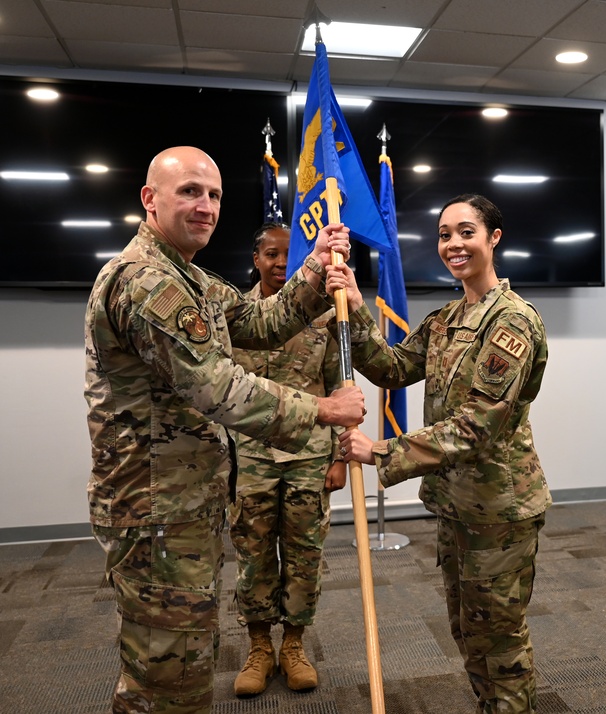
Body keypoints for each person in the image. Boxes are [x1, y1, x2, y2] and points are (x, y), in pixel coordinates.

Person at [84, 146, 365, 714]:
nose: (205, 206)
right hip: (155, 507)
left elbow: (262, 322)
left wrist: (313, 266)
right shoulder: (146, 283)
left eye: (213, 195)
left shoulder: (191, 280)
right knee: (167, 678)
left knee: (183, 656)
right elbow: (216, 386)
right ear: (150, 199)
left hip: (183, 502)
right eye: (189, 191)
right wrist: (320, 411)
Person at [333, 194, 550, 713]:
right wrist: (358, 313)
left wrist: (379, 452)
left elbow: (476, 428)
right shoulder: (446, 320)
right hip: (457, 504)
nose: (454, 244)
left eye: (466, 232)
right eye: (445, 234)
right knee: (469, 632)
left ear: (493, 239)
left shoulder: (512, 322)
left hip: (499, 510)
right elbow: (390, 369)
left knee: (500, 641)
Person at [229, 222, 349, 696]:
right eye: (271, 255)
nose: (281, 263)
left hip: (309, 454)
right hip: (252, 456)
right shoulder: (236, 314)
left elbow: (341, 388)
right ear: (256, 259)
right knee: (254, 553)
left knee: (305, 555)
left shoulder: (324, 311)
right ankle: (259, 647)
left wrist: (340, 456)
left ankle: (294, 646)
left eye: (288, 255)